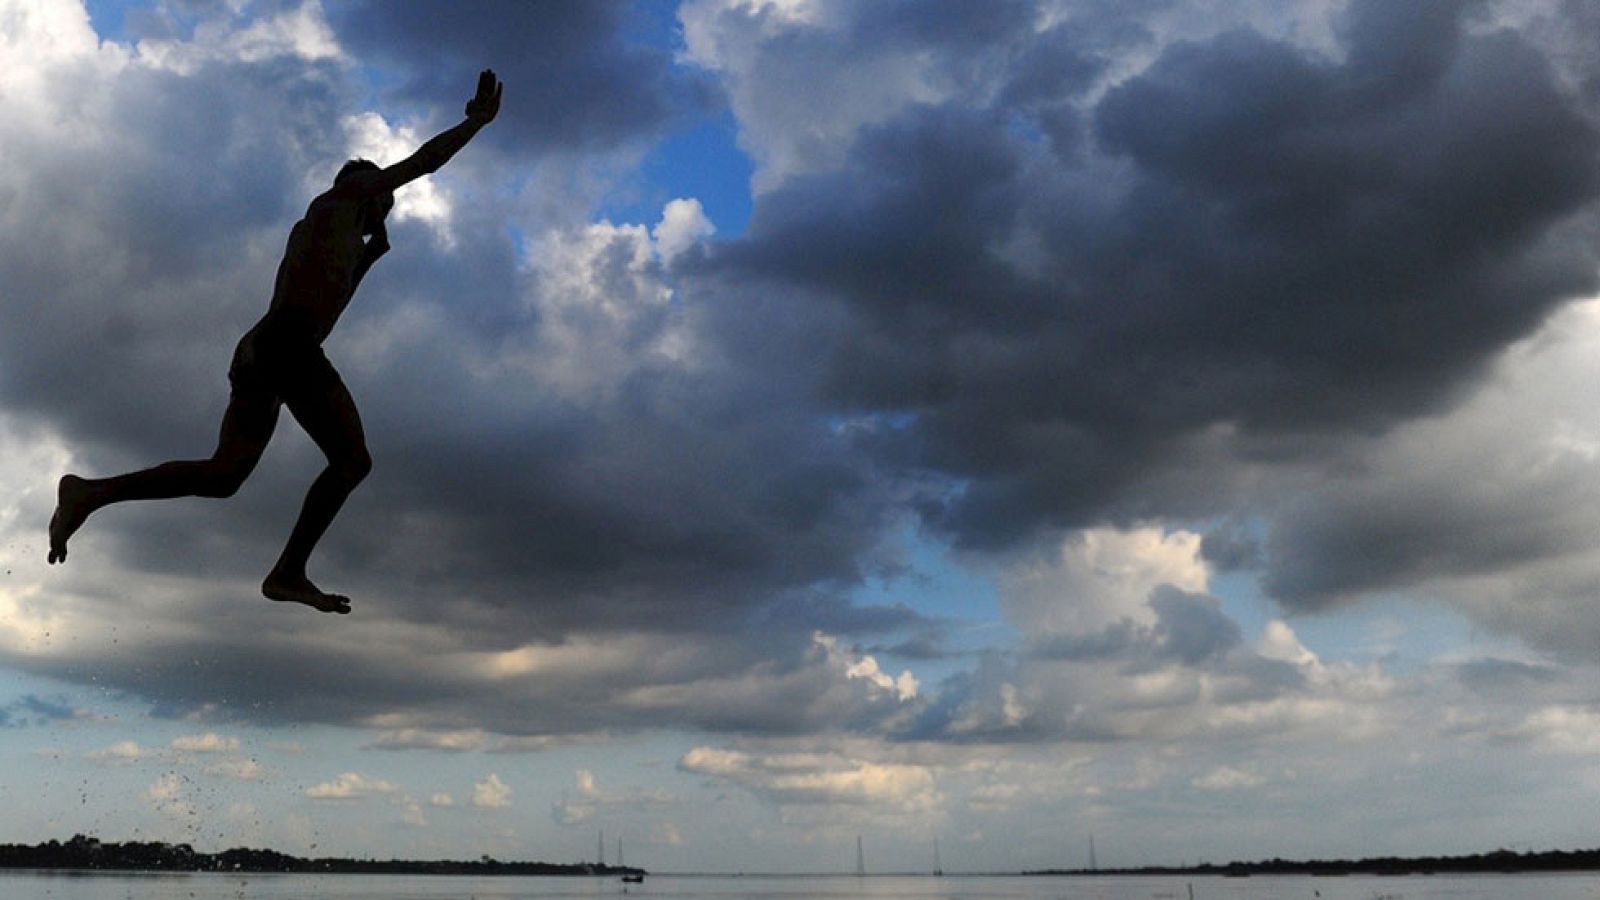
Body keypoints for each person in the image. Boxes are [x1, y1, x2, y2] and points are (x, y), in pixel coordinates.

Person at [46, 70, 504, 614]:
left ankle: (89, 493)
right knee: (353, 461)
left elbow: (326, 305)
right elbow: (421, 164)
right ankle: (288, 571)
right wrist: (472, 124)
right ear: (366, 188)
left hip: (265, 349)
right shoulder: (344, 195)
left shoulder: (326, 237)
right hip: (287, 345)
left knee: (224, 476)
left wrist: (369, 258)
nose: (387, 204)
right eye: (382, 196)